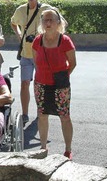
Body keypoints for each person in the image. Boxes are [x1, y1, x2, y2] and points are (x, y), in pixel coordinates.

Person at [11, 0, 60, 124]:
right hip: (26, 54)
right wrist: (20, 35)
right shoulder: (20, 10)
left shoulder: (46, 9)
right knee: (24, 83)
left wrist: (48, 37)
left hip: (42, 55)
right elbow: (13, 23)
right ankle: (25, 113)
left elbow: (61, 23)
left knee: (41, 85)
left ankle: (41, 112)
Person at [31, 9, 76, 159]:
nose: (48, 23)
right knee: (42, 115)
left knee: (64, 116)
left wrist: (62, 76)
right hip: (41, 84)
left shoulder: (65, 40)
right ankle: (43, 147)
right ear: (42, 23)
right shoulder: (37, 40)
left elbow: (73, 63)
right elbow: (36, 62)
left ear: (58, 22)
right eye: (45, 20)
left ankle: (68, 149)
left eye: (52, 20)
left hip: (60, 84)